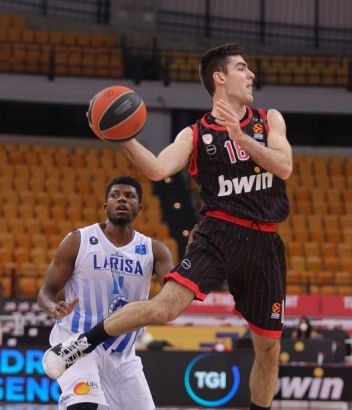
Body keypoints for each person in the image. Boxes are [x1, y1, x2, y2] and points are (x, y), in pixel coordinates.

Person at [43, 42, 292, 410]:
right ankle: (81, 343)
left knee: (269, 346)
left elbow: (283, 166)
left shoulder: (268, 119)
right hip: (218, 232)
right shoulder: (195, 134)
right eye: (242, 67)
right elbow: (159, 169)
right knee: (164, 308)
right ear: (220, 77)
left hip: (264, 242)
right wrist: (123, 137)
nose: (251, 74)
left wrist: (239, 137)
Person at [37, 176, 173, 410]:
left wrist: (193, 258)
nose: (121, 200)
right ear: (105, 205)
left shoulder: (155, 251)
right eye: (115, 195)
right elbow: (45, 291)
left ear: (140, 208)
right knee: (85, 405)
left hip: (123, 355)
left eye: (129, 196)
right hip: (77, 345)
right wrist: (54, 307)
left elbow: (174, 294)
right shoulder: (78, 240)